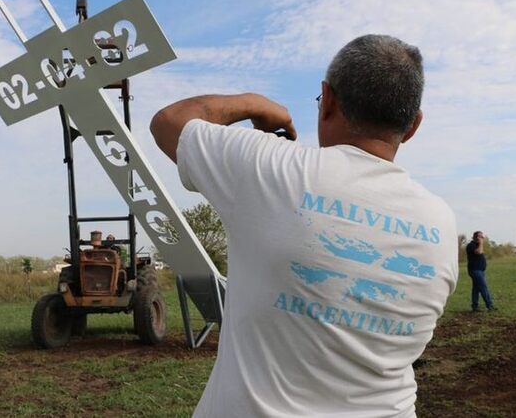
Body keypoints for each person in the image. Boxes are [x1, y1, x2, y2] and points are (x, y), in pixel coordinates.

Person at [150, 34, 458, 417]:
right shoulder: (441, 223)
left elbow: (169, 122)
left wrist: (255, 104)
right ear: (412, 126)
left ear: (327, 100)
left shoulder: (273, 169)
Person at [466, 231, 495, 311]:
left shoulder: (477, 245)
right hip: (475, 270)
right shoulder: (471, 245)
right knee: (483, 287)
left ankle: (474, 306)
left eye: (483, 237)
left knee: (476, 289)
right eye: (480, 237)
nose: (482, 238)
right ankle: (490, 305)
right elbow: (479, 252)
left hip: (480, 271)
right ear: (475, 237)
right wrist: (481, 243)